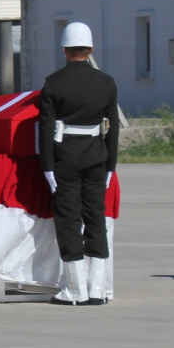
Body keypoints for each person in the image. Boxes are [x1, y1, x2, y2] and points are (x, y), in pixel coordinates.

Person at [38, 22, 120, 306]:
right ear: (91, 49)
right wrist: (111, 165)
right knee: (96, 218)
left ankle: (76, 290)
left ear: (64, 50)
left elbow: (46, 129)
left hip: (65, 157)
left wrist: (47, 165)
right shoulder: (106, 82)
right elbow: (112, 127)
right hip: (97, 155)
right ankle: (97, 289)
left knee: (69, 220)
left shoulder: (53, 83)